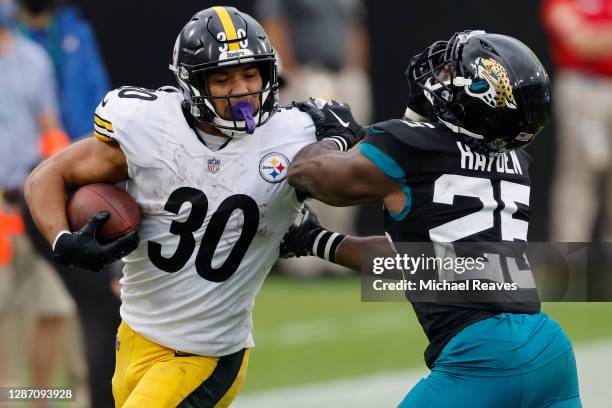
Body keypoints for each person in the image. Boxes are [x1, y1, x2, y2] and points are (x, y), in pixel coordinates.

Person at [22, 6, 342, 407]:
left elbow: (363, 186)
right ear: (192, 83)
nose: (241, 89)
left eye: (250, 73)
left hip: (205, 355)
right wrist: (62, 239)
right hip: (136, 337)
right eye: (222, 79)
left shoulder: (294, 133)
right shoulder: (150, 127)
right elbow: (46, 176)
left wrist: (339, 145)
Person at [281, 31, 582, 407]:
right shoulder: (516, 162)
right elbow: (418, 262)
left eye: (451, 73)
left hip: (483, 358)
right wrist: (315, 240)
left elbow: (309, 174)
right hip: (548, 350)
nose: (438, 78)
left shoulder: (411, 145)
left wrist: (334, 135)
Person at [256, 0, 372, 277]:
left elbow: (354, 27)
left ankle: (342, 247)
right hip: (309, 73)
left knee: (354, 159)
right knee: (311, 160)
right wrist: (290, 74)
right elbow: (274, 26)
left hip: (345, 75)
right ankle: (304, 254)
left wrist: (357, 72)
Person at [0, 0, 75, 400]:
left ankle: (41, 399)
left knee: (54, 306)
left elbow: (49, 126)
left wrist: (59, 183)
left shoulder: (33, 58)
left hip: (31, 201)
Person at [541, 0, 612, 241]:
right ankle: (571, 268)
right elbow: (577, 39)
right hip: (583, 88)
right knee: (577, 181)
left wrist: (595, 37)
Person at [17, 0, 110, 141]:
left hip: (84, 141)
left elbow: (98, 87)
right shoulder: (9, 42)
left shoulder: (77, 31)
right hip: (33, 151)